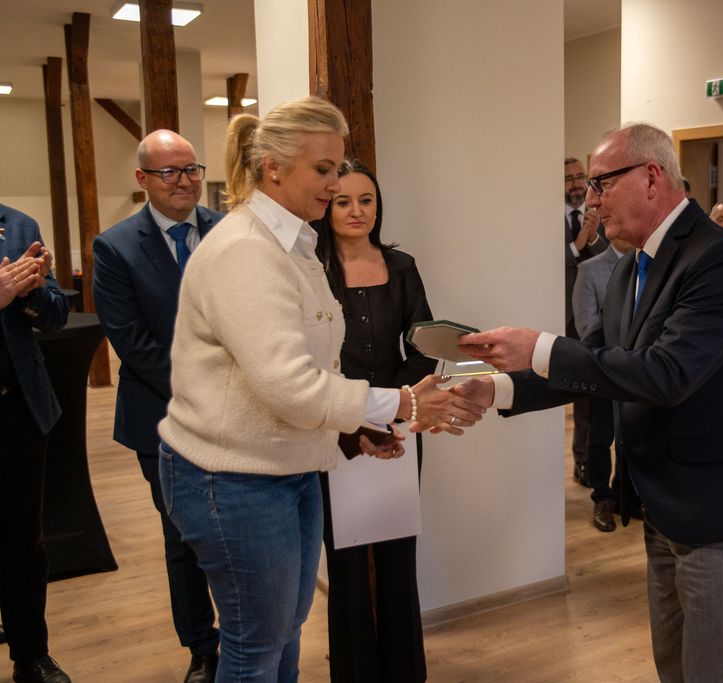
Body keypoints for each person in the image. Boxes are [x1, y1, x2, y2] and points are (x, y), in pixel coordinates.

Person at [156, 96, 483, 681]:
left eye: (341, 172)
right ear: (274, 168)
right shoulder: (248, 250)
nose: (337, 186)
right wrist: (402, 402)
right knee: (256, 649)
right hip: (235, 479)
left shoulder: (293, 244)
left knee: (283, 632)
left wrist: (356, 427)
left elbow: (314, 369)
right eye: (324, 169)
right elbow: (292, 387)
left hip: (290, 464)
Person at [454, 123, 723, 682]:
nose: (591, 200)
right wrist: (497, 388)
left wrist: (541, 347)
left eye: (601, 183)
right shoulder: (630, 266)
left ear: (651, 177)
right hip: (662, 502)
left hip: (719, 508)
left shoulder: (718, 257)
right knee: (674, 666)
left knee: (716, 672)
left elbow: (668, 374)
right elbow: (601, 361)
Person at [92, 130, 222, 683]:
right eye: (169, 172)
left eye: (191, 169)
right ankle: (202, 648)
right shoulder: (115, 247)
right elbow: (133, 343)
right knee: (184, 538)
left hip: (239, 416)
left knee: (238, 532)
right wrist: (210, 392)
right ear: (142, 178)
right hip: (164, 417)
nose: (184, 181)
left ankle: (244, 636)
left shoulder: (227, 230)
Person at [311, 159, 435, 682]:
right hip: (333, 430)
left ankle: (404, 671)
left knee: (398, 553)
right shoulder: (310, 268)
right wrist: (356, 416)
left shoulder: (401, 266)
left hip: (398, 426)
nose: (356, 211)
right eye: (343, 201)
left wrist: (392, 406)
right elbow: (309, 358)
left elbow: (424, 346)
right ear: (326, 206)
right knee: (345, 560)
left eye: (367, 200)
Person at [0, 204, 71, 683]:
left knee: (24, 542)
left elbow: (56, 316)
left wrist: (33, 291)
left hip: (19, 410)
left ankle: (31, 655)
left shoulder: (19, 226)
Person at [571, 236, 632, 531]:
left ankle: (624, 494)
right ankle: (602, 497)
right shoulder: (590, 269)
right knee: (600, 436)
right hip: (604, 368)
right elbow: (585, 326)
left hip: (639, 372)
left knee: (631, 435)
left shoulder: (651, 265)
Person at [564, 157, 606, 486]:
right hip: (558, 314)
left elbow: (613, 258)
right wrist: (577, 245)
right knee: (572, 390)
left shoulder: (601, 215)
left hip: (594, 319)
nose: (577, 183)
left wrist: (592, 239)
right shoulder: (545, 219)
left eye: (581, 177)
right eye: (569, 178)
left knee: (590, 396)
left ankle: (587, 462)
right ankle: (580, 458)